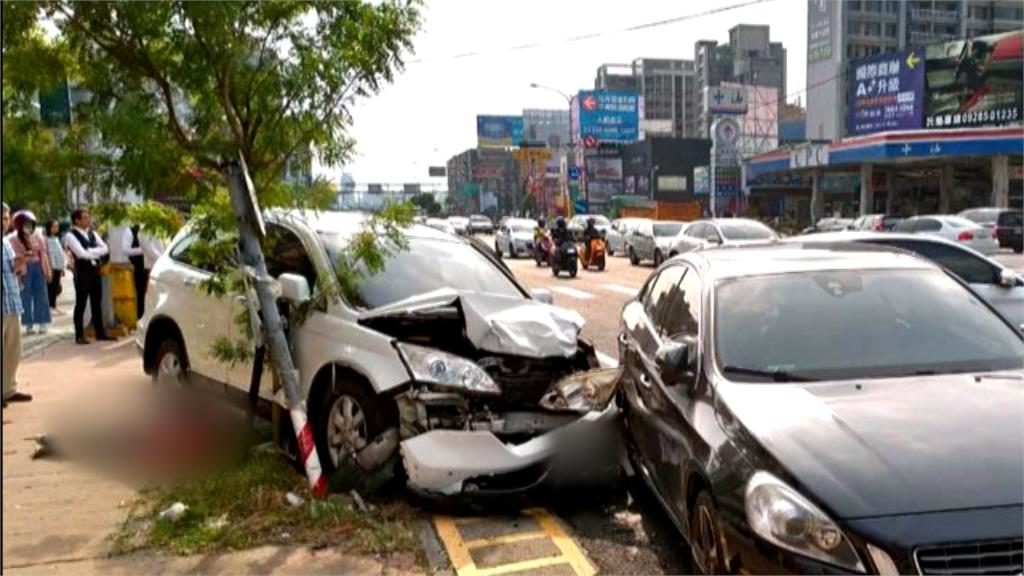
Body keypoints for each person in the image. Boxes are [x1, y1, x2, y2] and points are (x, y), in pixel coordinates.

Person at [64, 208, 114, 344]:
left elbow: (105, 248)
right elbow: (81, 254)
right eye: (85, 218)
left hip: (95, 271)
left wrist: (91, 250)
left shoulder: (92, 233)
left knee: (96, 302)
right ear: (77, 220)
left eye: (88, 217)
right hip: (82, 272)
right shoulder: (71, 235)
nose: (88, 220)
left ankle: (100, 332)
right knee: (81, 303)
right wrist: (95, 252)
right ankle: (79, 334)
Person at [2, 203, 32, 408]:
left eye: (6, 218)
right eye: (2, 218)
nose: (4, 222)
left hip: (11, 301)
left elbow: (12, 268)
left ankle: (8, 389)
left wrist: (21, 262)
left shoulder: (5, 243)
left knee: (13, 349)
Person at [8, 211, 52, 335]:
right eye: (26, 224)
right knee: (25, 297)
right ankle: (28, 324)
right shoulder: (13, 239)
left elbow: (43, 254)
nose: (29, 226)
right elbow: (13, 256)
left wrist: (47, 270)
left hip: (38, 267)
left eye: (30, 224)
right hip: (24, 269)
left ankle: (42, 322)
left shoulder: (37, 235)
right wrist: (23, 255)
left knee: (41, 295)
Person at [45, 220, 67, 315]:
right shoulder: (46, 239)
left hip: (58, 266)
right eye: (53, 227)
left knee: (56, 287)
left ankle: (54, 306)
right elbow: (49, 254)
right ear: (49, 227)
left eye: (57, 227)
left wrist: (62, 267)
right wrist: (51, 268)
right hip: (52, 267)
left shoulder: (56, 238)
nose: (55, 229)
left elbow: (59, 253)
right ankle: (49, 307)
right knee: (51, 288)